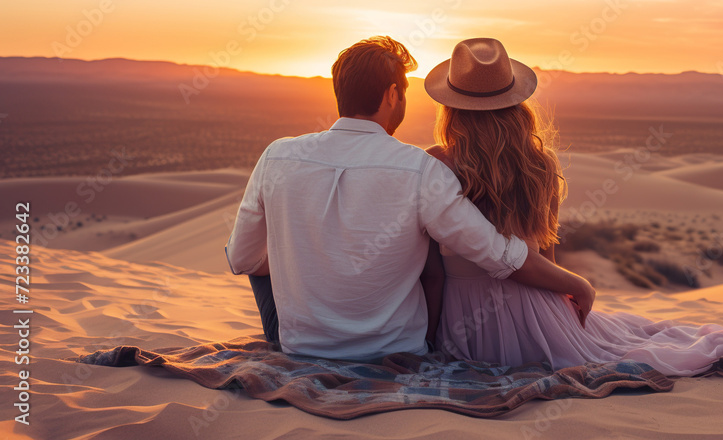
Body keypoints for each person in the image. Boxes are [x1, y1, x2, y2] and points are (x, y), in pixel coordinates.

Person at [225, 36, 595, 361]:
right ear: (392, 95)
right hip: (394, 352)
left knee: (265, 262)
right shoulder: (421, 170)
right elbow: (497, 254)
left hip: (299, 347)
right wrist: (574, 283)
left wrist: (305, 255)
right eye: (403, 91)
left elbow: (240, 258)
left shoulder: (276, 155)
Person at [423, 37, 723, 376]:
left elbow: (434, 275)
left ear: (450, 108)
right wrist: (567, 295)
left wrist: (431, 338)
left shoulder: (435, 164)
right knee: (614, 348)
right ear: (516, 103)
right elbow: (546, 253)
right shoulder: (539, 163)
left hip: (465, 320)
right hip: (539, 313)